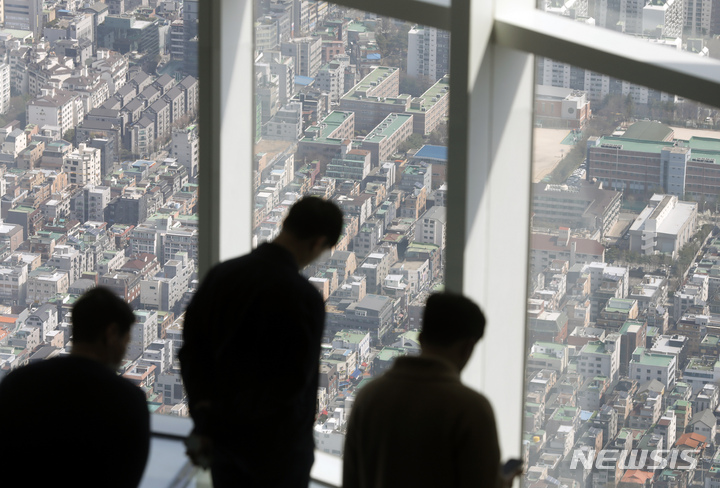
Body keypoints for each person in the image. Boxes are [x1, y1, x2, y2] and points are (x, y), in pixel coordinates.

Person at [179, 196, 344, 487]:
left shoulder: (221, 276)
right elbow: (293, 381)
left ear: (286, 223)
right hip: (278, 452)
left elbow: (192, 353)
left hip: (222, 442)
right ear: (318, 243)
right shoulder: (303, 298)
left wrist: (207, 419)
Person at [343, 292, 501, 488]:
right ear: (468, 348)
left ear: (420, 337)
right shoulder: (472, 409)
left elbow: (351, 480)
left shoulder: (369, 396)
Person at [0, 287, 150, 487]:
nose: (124, 352)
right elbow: (128, 476)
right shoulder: (127, 401)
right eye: (125, 341)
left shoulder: (19, 383)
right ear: (111, 333)